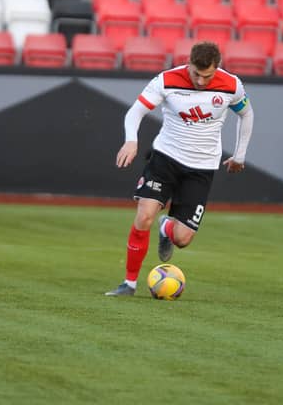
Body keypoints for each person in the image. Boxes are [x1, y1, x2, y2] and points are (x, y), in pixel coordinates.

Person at [106, 41, 254, 296]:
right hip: (166, 158)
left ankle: (167, 228)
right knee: (144, 217)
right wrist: (131, 140)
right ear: (189, 63)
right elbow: (135, 112)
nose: (200, 80)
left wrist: (240, 155)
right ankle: (128, 284)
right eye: (196, 73)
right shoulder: (166, 80)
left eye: (206, 76)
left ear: (216, 68)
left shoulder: (231, 85)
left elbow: (247, 114)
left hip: (202, 167)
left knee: (183, 239)